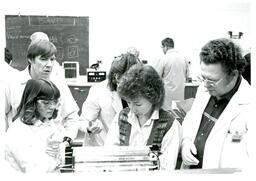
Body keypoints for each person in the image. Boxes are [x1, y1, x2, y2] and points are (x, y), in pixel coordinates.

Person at [181, 38, 254, 170]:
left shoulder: (250, 105)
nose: (206, 84)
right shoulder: (204, 90)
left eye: (212, 80)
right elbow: (191, 119)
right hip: (193, 172)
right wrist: (186, 141)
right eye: (203, 77)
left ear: (233, 75)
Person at [105, 64, 181, 170]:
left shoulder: (170, 125)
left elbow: (167, 167)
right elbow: (110, 153)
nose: (132, 109)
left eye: (138, 104)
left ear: (153, 97)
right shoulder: (121, 117)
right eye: (128, 102)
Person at [5, 39, 79, 141]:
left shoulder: (59, 84)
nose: (49, 64)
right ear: (30, 59)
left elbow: (71, 116)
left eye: (52, 59)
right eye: (43, 59)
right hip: (21, 146)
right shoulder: (13, 83)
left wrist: (67, 137)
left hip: (52, 146)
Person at [5, 79, 68, 173]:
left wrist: (57, 151)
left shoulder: (49, 123)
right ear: (32, 101)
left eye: (54, 102)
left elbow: (60, 162)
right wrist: (52, 153)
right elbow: (35, 172)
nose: (52, 107)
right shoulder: (18, 131)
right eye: (46, 103)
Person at [79, 53, 141, 146]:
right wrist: (90, 127)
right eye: (131, 78)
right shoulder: (99, 91)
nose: (135, 83)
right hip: (103, 147)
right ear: (117, 77)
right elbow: (83, 121)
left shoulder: (140, 89)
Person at [154, 37, 188, 111]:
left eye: (162, 47)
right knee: (178, 114)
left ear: (165, 47)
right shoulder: (183, 58)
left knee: (167, 115)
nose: (162, 49)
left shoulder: (164, 58)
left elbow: (156, 77)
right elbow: (187, 75)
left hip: (167, 94)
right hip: (180, 94)